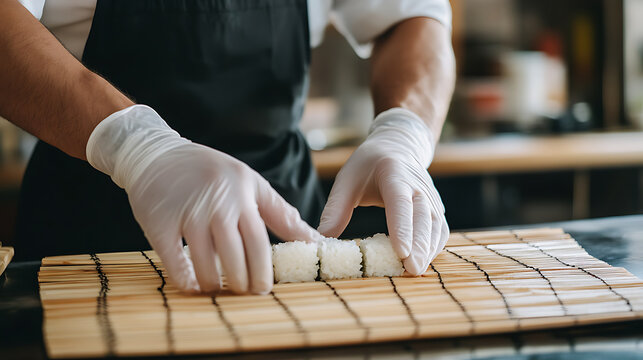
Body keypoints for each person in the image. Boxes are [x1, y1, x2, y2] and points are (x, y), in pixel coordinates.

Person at [0, 0, 455, 295]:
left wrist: (403, 132)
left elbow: (411, 16)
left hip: (285, 244)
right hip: (91, 251)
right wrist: (138, 149)